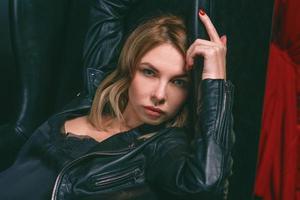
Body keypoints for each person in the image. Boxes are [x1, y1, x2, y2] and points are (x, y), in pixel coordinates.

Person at [0, 8, 234, 200]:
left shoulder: (161, 148)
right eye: (149, 72)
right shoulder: (95, 93)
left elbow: (205, 185)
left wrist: (216, 80)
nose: (160, 95)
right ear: (129, 69)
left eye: (178, 82)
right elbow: (108, 9)